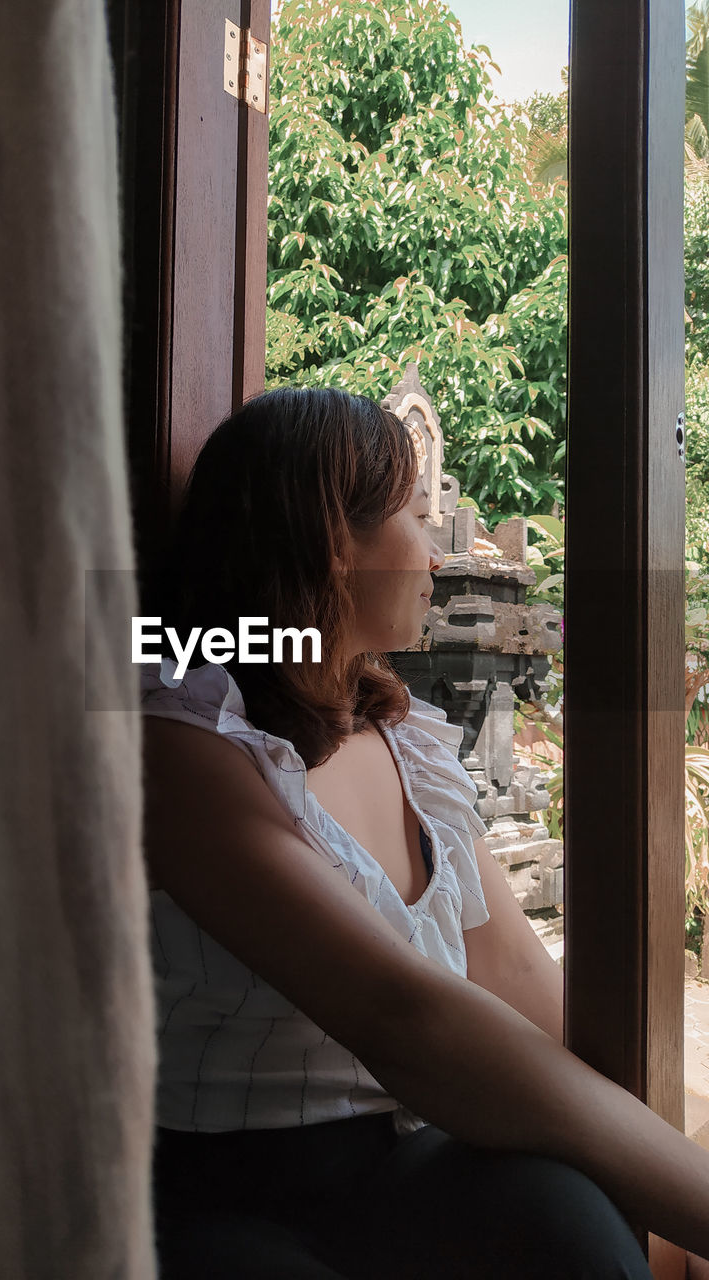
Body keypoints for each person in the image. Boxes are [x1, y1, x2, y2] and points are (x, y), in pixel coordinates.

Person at [140, 387, 709, 1278]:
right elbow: (404, 1015)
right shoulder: (181, 742)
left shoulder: (408, 745)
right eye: (415, 514)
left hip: (410, 1166)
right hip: (223, 1190)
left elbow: (518, 978)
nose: (438, 554)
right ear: (334, 545)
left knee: (566, 1228)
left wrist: (660, 1148)